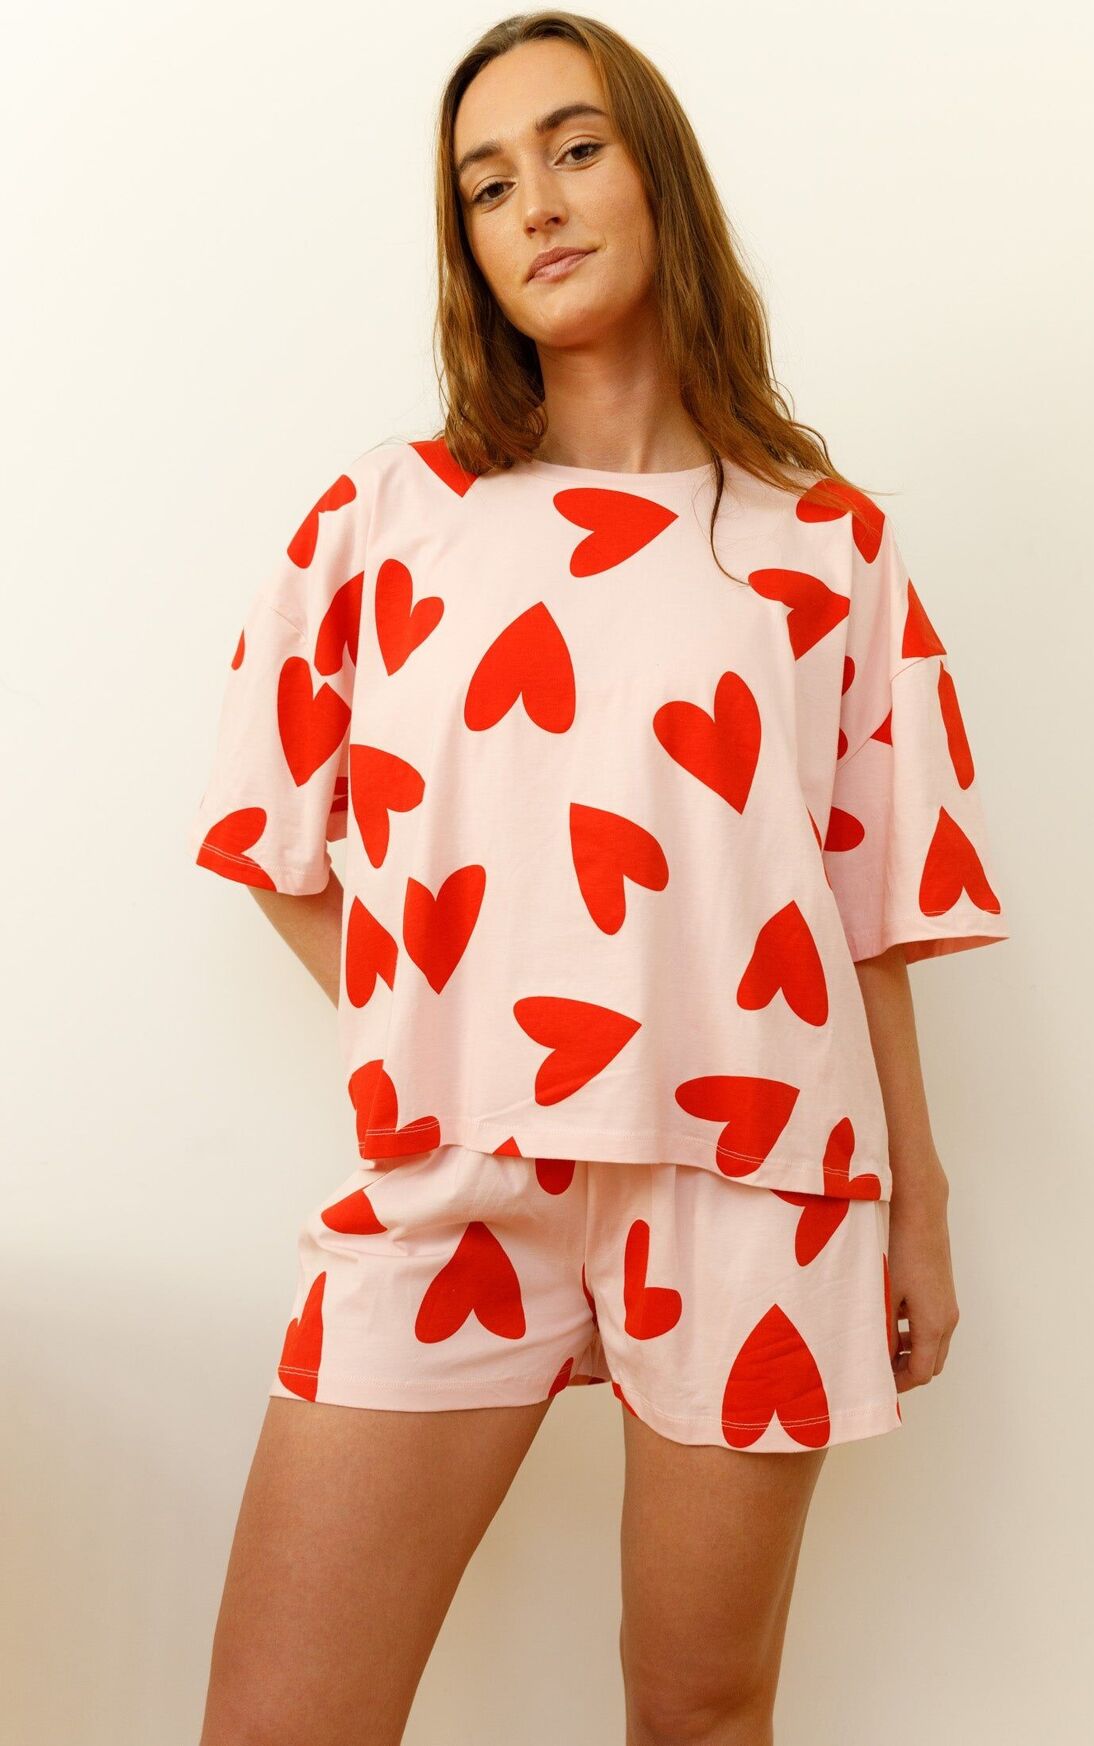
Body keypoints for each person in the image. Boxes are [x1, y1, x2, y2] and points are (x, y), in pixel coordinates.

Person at [190, 14, 1010, 1745]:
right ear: (469, 243)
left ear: (659, 177)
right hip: (460, 1172)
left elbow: (867, 908)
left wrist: (920, 1203)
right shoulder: (392, 516)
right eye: (488, 185)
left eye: (575, 150)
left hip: (763, 1176)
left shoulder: (824, 543)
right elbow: (271, 833)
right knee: (283, 1720)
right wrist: (451, 1030)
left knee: (702, 1711)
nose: (538, 206)